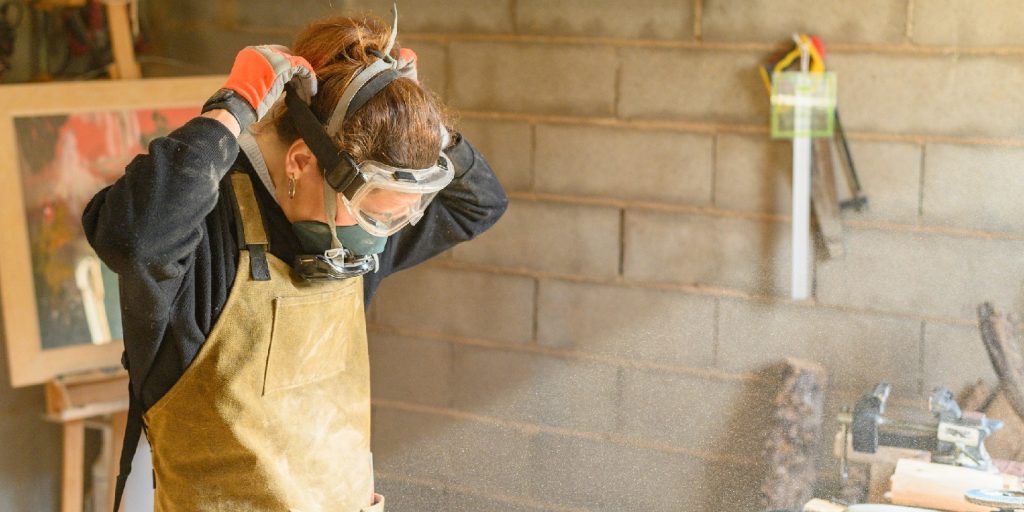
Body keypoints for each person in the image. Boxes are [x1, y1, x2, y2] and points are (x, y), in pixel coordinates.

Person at [82, 10, 507, 512]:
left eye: (396, 218)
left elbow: (478, 203)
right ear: (301, 161)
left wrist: (430, 131)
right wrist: (230, 107)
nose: (381, 237)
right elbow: (132, 239)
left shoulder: (355, 236)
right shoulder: (208, 224)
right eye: (371, 210)